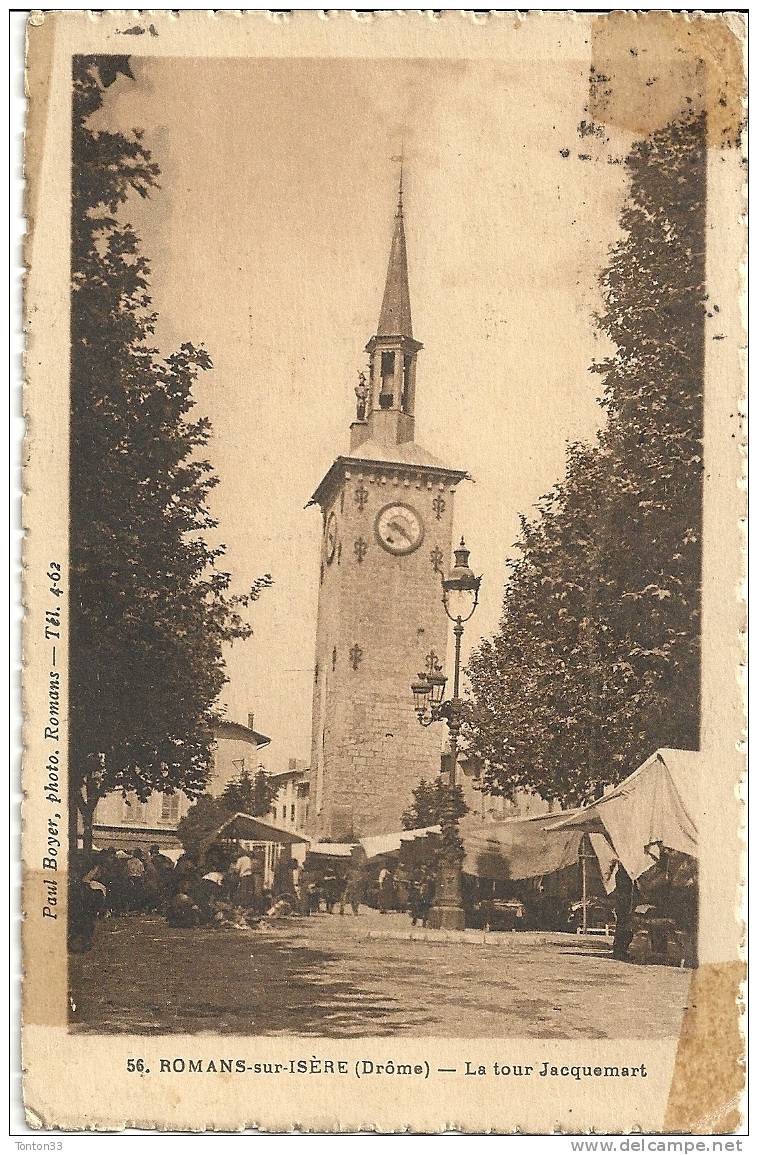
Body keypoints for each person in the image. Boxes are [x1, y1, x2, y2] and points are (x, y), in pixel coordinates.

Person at [612, 864, 635, 961]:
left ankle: (620, 950)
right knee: (624, 928)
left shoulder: (622, 873)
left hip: (624, 904)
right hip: (624, 904)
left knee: (623, 927)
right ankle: (620, 951)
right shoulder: (623, 874)